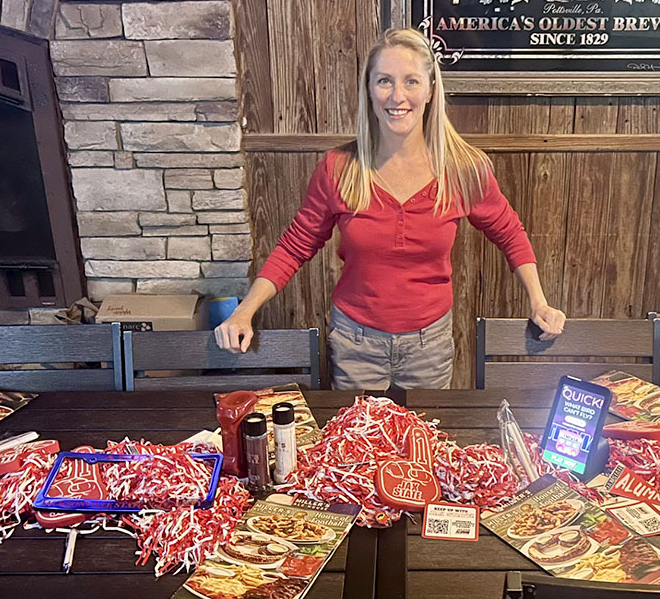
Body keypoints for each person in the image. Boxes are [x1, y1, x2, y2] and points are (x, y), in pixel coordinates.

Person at [214, 28, 566, 389]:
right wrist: (245, 310)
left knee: (424, 429)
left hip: (430, 347)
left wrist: (539, 302)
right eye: (384, 81)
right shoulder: (339, 168)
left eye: (411, 81)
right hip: (355, 344)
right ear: (369, 89)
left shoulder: (464, 169)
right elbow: (294, 246)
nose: (398, 96)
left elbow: (510, 233)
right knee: (356, 429)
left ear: (430, 90)